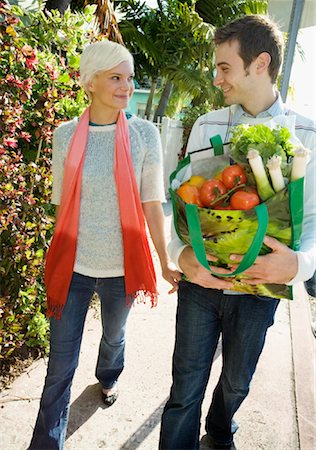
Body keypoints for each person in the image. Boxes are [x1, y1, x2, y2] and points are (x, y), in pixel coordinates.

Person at [159, 15, 316, 450]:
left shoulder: (308, 134)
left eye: (225, 67)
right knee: (184, 388)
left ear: (260, 63)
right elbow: (184, 205)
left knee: (236, 383)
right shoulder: (207, 125)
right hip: (201, 285)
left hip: (258, 291)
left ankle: (221, 428)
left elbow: (315, 220)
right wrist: (181, 255)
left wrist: (298, 264)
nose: (216, 78)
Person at [28, 40, 181, 450]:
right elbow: (63, 204)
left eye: (129, 78)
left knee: (114, 336)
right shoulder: (65, 136)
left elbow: (152, 202)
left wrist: (165, 260)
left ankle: (109, 376)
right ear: (89, 82)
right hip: (74, 266)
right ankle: (45, 443)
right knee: (59, 367)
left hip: (122, 269)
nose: (126, 87)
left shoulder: (143, 134)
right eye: (116, 78)